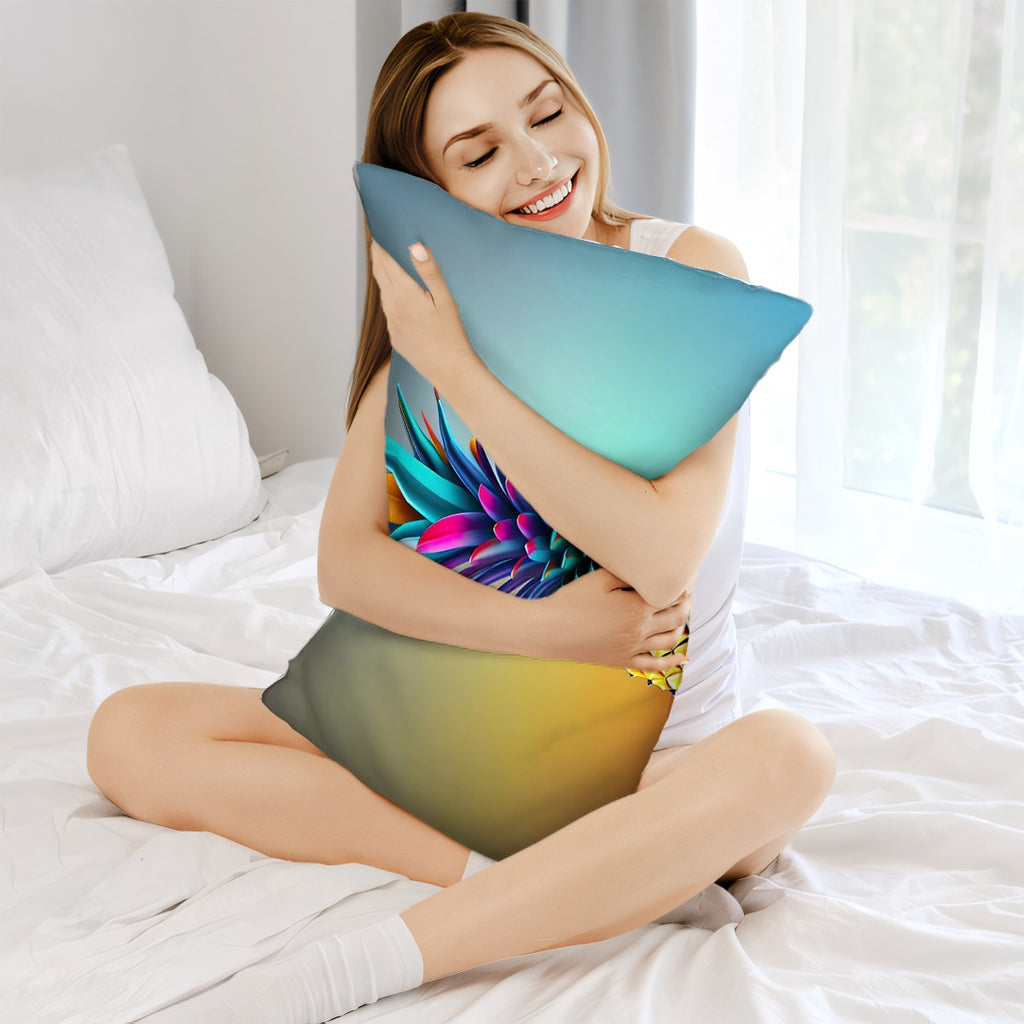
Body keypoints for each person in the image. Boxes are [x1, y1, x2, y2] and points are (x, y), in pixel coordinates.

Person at [87, 12, 837, 1023]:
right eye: (479, 153)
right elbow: (346, 566)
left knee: (789, 758)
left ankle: (367, 963)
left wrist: (464, 378)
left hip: (661, 757)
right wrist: (547, 627)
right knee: (127, 732)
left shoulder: (688, 268)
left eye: (548, 112)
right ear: (429, 194)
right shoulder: (436, 314)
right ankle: (600, 879)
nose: (538, 163)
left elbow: (663, 554)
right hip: (470, 738)